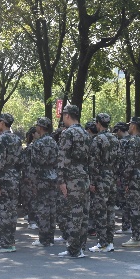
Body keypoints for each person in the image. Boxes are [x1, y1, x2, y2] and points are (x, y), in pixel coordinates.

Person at [57, 105, 91, 258]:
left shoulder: (68, 133)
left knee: (73, 214)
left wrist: (61, 181)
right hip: (84, 176)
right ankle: (81, 247)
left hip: (72, 178)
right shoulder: (85, 133)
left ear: (67, 115)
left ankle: (73, 249)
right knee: (83, 214)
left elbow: (62, 158)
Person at [0, 113, 23, 253]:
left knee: (3, 211)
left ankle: (5, 244)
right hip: (14, 177)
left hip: (4, 178)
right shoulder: (17, 139)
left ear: (3, 123)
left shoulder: (1, 139)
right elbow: (21, 161)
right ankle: (11, 241)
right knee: (12, 211)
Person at [88, 113, 120, 253]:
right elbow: (119, 160)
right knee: (110, 211)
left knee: (100, 211)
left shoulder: (97, 140)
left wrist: (93, 181)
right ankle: (110, 241)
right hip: (111, 177)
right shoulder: (115, 138)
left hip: (101, 178)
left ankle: (102, 243)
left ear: (99, 123)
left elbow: (93, 163)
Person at [30, 117, 59, 247]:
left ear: (40, 127)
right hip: (53, 176)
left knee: (42, 208)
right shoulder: (53, 142)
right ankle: (50, 238)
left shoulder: (38, 143)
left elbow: (34, 164)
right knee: (52, 207)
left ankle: (43, 239)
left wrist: (33, 181)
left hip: (41, 177)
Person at [121, 117, 140, 247]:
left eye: (130, 125)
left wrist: (126, 181)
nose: (129, 127)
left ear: (133, 126)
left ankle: (136, 237)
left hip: (133, 177)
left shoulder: (132, 142)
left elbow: (129, 164)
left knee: (134, 208)